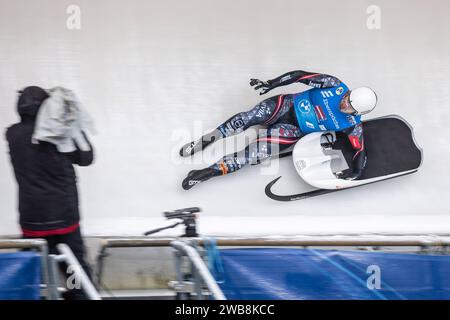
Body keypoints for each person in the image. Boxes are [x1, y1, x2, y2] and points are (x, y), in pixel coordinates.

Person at [180, 70, 377, 190]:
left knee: (249, 157)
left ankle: (206, 173)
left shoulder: (351, 124)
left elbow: (360, 150)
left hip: (290, 131)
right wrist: (271, 83)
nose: (344, 103)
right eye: (347, 97)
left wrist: (356, 174)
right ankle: (205, 141)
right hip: (284, 106)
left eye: (349, 106)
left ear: (357, 112)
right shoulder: (335, 85)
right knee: (246, 119)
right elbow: (301, 76)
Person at [5, 86, 94, 299]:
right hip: (65, 218)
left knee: (30, 268)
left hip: (31, 219)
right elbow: (87, 158)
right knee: (74, 268)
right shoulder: (60, 132)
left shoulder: (12, 134)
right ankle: (78, 295)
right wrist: (74, 126)